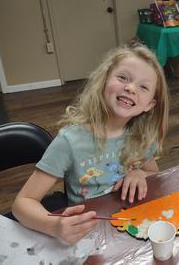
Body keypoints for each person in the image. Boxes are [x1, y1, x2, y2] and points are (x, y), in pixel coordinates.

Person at [12, 43, 169, 244]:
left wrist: (139, 173)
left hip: (132, 229)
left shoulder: (142, 136)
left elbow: (155, 176)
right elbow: (22, 203)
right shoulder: (70, 141)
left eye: (143, 86)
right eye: (123, 78)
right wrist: (55, 226)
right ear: (104, 81)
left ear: (150, 104)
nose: (130, 88)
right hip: (88, 235)